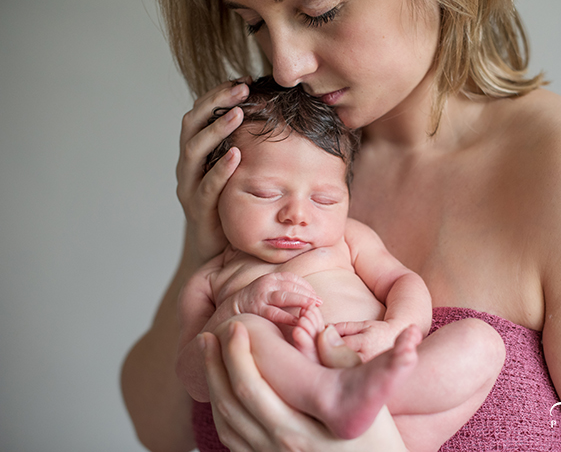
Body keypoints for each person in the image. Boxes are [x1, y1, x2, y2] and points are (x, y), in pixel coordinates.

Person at [121, 0, 561, 451]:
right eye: (253, 21)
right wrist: (205, 243)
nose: (285, 65)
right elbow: (165, 432)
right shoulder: (282, 175)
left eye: (318, 11)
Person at [176, 77, 504, 450]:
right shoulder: (212, 278)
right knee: (241, 331)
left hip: (386, 412)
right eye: (265, 193)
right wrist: (236, 307)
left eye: (325, 199)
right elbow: (192, 378)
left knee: (483, 341)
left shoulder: (348, 238)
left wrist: (397, 328)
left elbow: (401, 282)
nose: (296, 215)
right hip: (288, 413)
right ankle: (326, 394)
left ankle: (366, 411)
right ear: (216, 188)